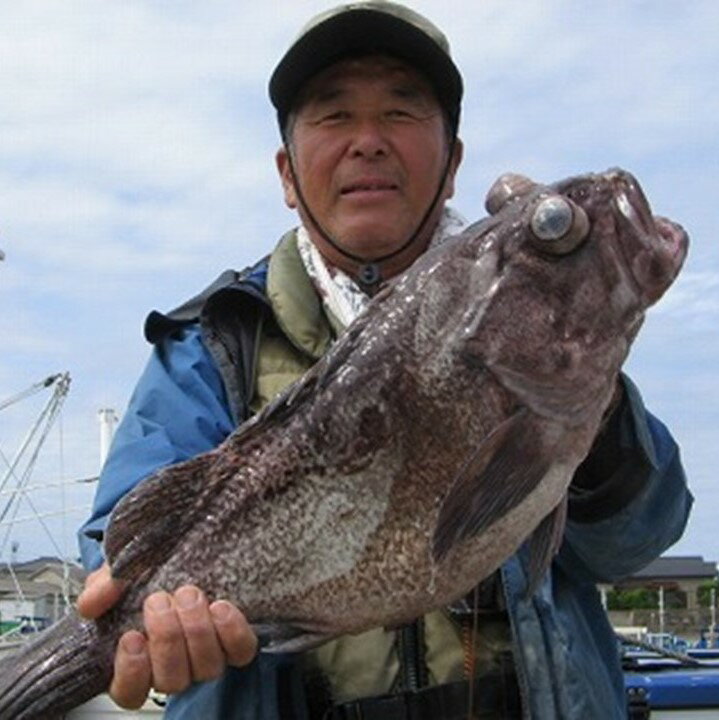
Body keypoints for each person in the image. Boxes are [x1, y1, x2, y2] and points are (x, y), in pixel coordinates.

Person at [77, 3, 692, 719]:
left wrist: (595, 404)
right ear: (285, 172)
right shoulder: (217, 340)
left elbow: (633, 543)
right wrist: (140, 616)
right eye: (333, 116)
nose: (367, 141)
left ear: (453, 161)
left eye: (400, 112)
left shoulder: (526, 323)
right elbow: (120, 539)